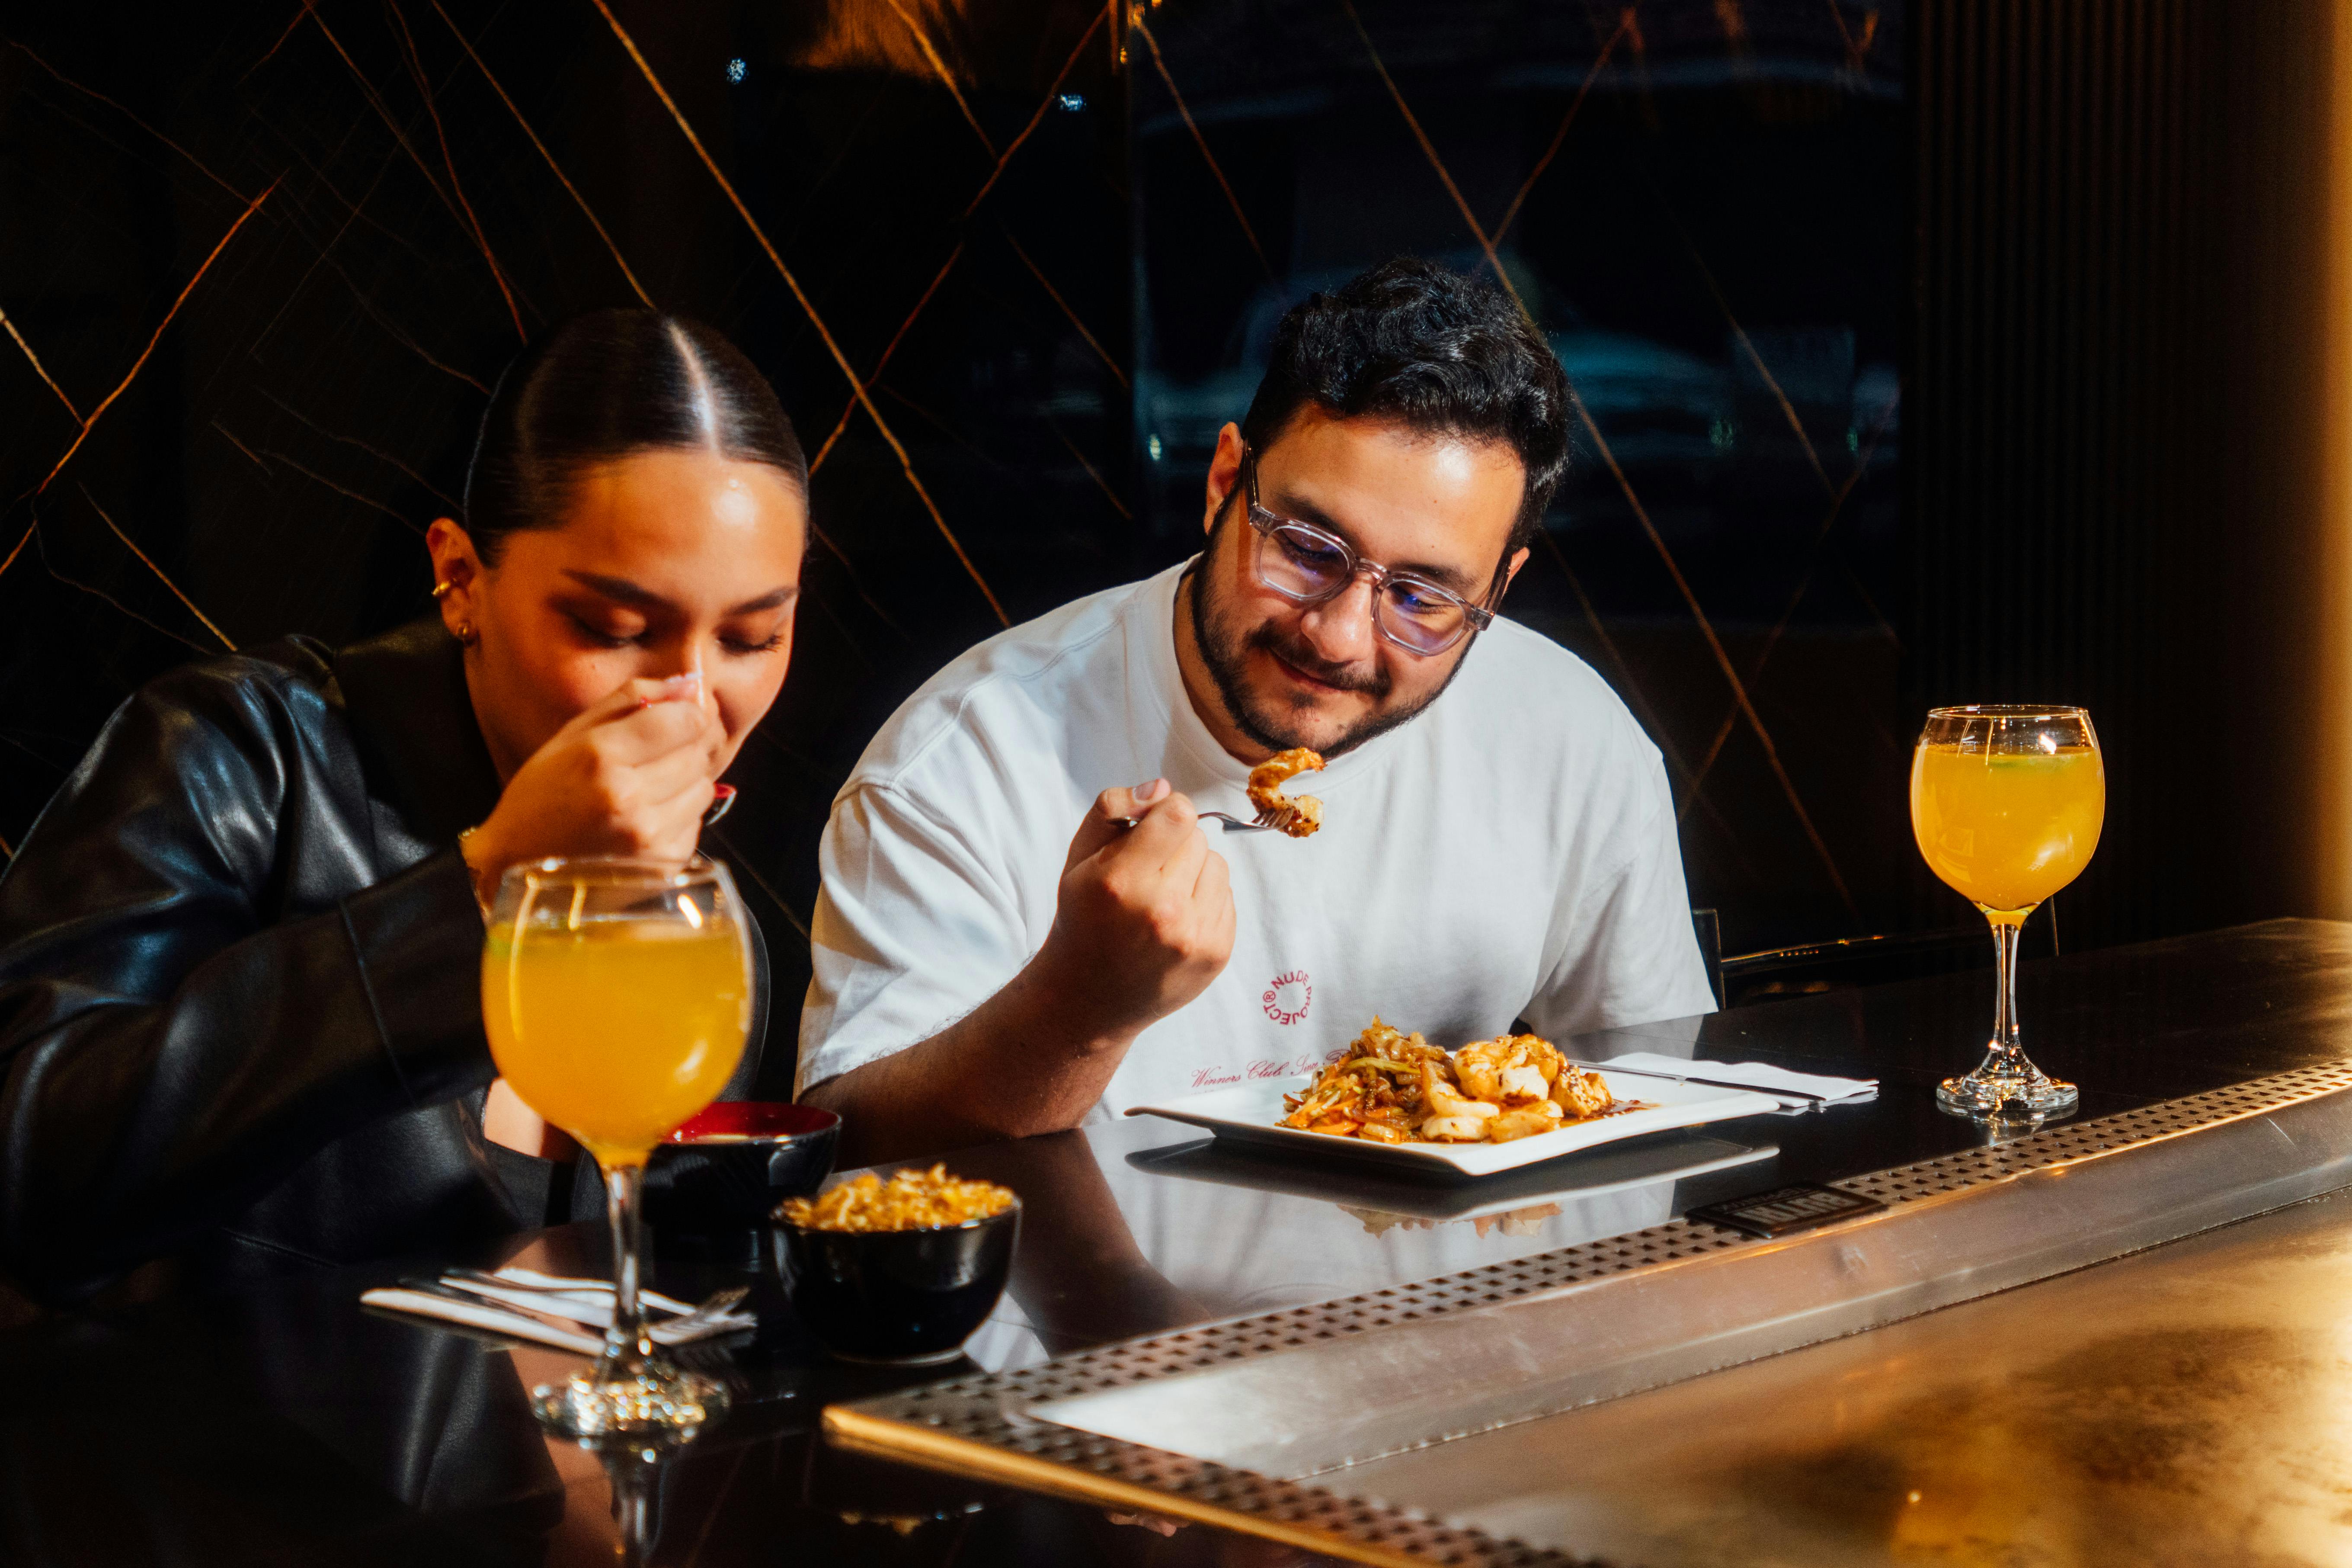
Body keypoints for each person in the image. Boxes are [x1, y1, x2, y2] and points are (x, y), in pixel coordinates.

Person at [798, 258, 1715, 1164]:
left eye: (1423, 597)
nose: (1342, 637)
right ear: (1223, 481)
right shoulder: (961, 760)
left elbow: (1656, 1111)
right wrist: (1077, 1007)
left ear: (1498, 591)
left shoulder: (1572, 744)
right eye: (1311, 549)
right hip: (1080, 1312)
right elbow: (853, 1148)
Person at [0, 309, 808, 1305]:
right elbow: (32, 1174)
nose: (687, 698)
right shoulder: (240, 759)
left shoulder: (703, 939)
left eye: (750, 639)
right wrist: (487, 880)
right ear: (461, 577)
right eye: (616, 626)